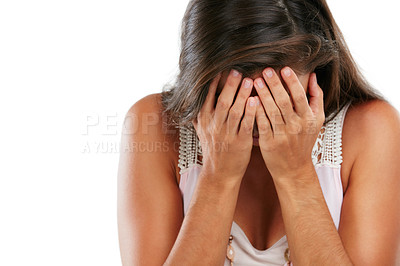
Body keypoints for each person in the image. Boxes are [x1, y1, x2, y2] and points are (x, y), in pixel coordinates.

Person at [117, 0, 400, 265]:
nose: (255, 117)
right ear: (198, 77)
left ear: (316, 69)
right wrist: (218, 176)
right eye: (235, 96)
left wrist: (296, 175)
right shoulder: (154, 124)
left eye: (276, 95)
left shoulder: (371, 129)